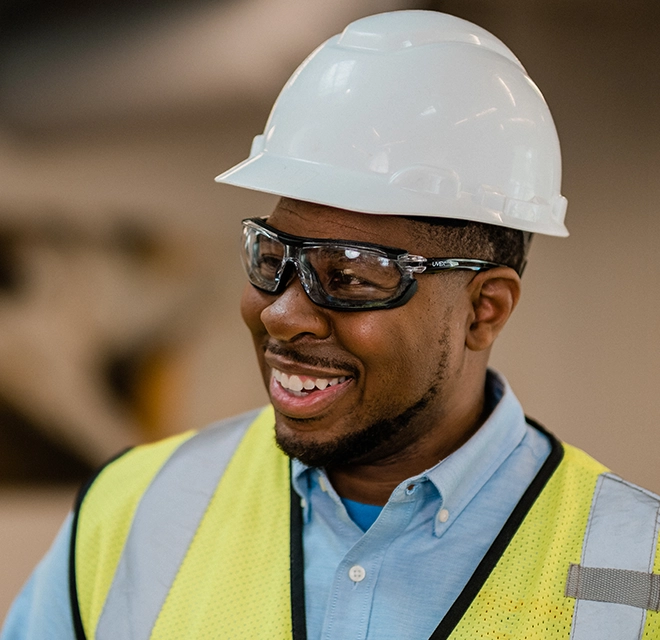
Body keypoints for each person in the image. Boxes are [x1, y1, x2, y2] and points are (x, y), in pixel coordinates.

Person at [3, 10, 660, 640]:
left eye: (348, 275)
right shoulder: (135, 508)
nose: (281, 313)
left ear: (483, 309)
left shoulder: (637, 563)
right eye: (270, 258)